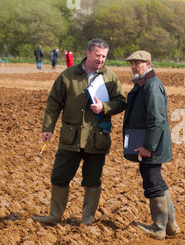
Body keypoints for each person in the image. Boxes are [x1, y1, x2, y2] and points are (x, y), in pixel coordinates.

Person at [33, 38, 126, 226]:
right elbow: (53, 103)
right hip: (71, 137)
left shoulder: (110, 77)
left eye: (104, 56)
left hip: (96, 138)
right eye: (98, 55)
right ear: (88, 52)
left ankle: (87, 220)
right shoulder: (68, 75)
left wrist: (104, 107)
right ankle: (54, 216)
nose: (101, 59)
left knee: (92, 180)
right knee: (59, 176)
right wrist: (47, 128)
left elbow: (121, 102)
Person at [123, 50, 179, 240]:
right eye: (131, 64)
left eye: (137, 64)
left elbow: (157, 119)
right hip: (150, 142)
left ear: (147, 64)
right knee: (158, 181)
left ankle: (158, 228)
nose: (133, 67)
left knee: (152, 182)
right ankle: (171, 225)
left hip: (151, 145)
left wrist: (148, 146)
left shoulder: (151, 85)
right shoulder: (144, 83)